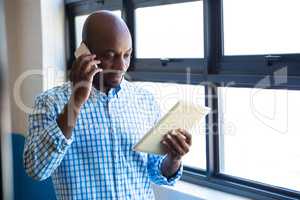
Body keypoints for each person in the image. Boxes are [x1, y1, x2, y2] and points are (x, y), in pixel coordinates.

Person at [23, 11, 192, 200]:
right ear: (85, 53)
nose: (121, 66)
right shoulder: (49, 103)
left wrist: (174, 158)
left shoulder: (145, 101)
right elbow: (36, 169)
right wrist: (75, 102)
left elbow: (156, 173)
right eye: (110, 55)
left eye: (127, 55)